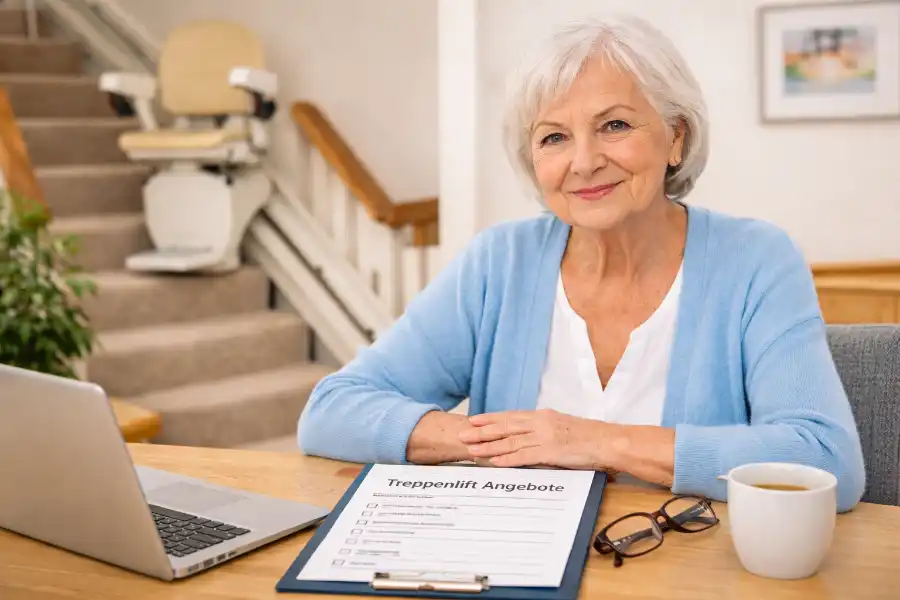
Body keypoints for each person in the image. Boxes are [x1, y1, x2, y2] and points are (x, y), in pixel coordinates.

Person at [298, 14, 866, 512]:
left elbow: (826, 461)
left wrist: (592, 441)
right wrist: (506, 442)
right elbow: (331, 412)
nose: (585, 161)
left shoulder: (756, 260)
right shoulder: (500, 262)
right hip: (518, 564)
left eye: (614, 125)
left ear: (675, 136)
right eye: (554, 138)